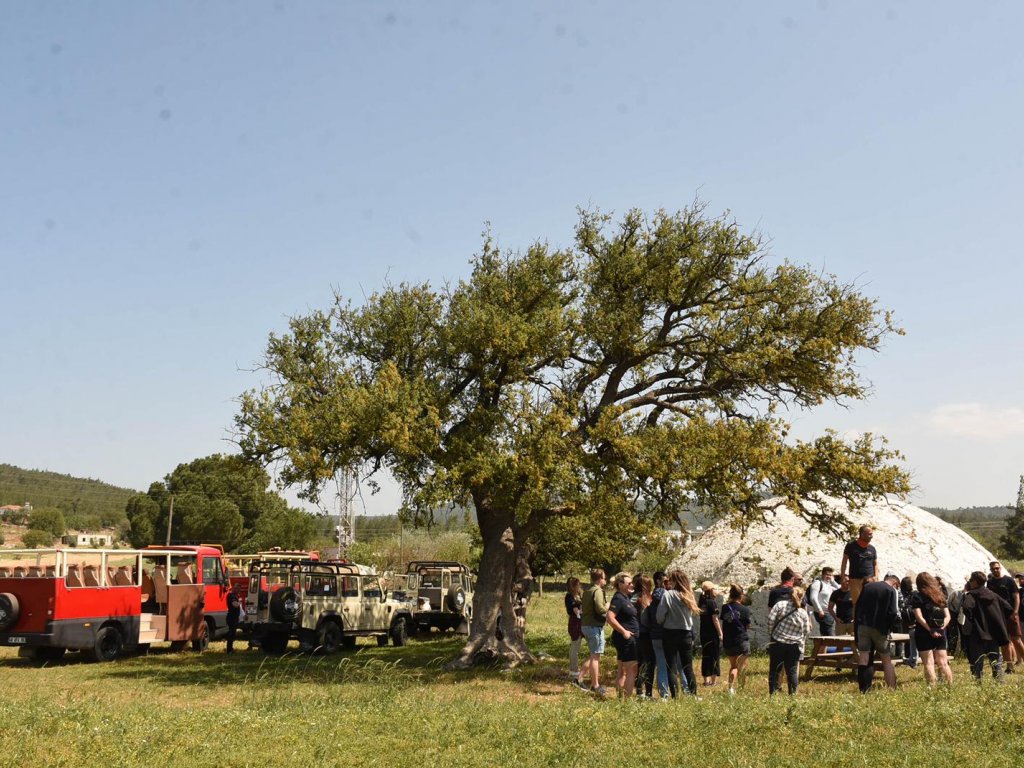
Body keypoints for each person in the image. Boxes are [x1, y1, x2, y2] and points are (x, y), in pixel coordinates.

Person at [960, 570, 1011, 682]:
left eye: (971, 580)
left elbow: (966, 607)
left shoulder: (971, 595)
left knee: (977, 663)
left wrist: (974, 620)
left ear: (975, 582)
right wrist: (998, 620)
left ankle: (978, 687)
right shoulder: (993, 595)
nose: (970, 582)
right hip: (993, 634)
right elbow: (1008, 608)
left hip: (977, 634)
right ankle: (999, 685)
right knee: (996, 662)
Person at [854, 573, 901, 693]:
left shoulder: (868, 587)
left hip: (863, 626)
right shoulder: (891, 590)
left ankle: (863, 690)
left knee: (864, 657)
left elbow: (858, 607)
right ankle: (892, 689)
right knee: (886, 659)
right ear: (895, 583)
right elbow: (893, 612)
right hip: (880, 628)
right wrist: (889, 628)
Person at [656, 570, 700, 696]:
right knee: (688, 667)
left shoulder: (668, 595)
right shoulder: (688, 595)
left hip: (670, 633)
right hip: (686, 633)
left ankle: (674, 696)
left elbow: (659, 617)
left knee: (671, 667)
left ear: (674, 581)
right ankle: (693, 694)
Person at [909, 571, 952, 686]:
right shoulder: (940, 596)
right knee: (943, 662)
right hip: (940, 632)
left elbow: (919, 617)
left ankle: (931, 689)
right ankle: (949, 687)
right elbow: (948, 616)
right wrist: (941, 629)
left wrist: (930, 630)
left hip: (923, 632)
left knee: (929, 663)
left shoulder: (917, 596)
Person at [766, 585, 810, 696]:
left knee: (775, 669)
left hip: (778, 641)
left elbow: (770, 620)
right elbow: (806, 630)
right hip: (794, 645)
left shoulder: (780, 605)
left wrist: (772, 633)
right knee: (792, 671)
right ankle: (793, 695)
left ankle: (773, 693)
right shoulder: (802, 612)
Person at [606, 573, 639, 698]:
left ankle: (621, 699)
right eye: (629, 583)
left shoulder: (625, 597)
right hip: (626, 639)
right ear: (620, 585)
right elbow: (610, 617)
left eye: (632, 583)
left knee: (622, 669)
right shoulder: (619, 598)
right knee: (630, 670)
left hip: (626, 639)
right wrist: (624, 631)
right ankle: (627, 699)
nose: (631, 585)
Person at [987, 561, 1023, 672]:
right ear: (991, 570)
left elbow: (1016, 596)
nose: (995, 570)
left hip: (1010, 613)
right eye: (993, 569)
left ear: (1000, 568)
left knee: (1016, 639)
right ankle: (1009, 666)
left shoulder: (1009, 580)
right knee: (1004, 641)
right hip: (998, 614)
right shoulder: (990, 582)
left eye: (997, 568)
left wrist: (1015, 611)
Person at [645, 571, 675, 699]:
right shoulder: (665, 595)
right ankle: (676, 690)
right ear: (658, 581)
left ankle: (664, 694)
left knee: (661, 665)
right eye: (665, 581)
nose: (667, 583)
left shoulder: (652, 596)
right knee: (671, 665)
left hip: (654, 635)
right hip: (664, 634)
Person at [580, 569, 609, 696]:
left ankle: (579, 678)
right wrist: (608, 606)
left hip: (586, 625)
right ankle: (595, 685)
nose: (605, 581)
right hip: (594, 626)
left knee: (593, 655)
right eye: (604, 578)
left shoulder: (587, 590)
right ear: (600, 579)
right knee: (596, 656)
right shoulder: (597, 591)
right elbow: (600, 608)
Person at [720, 583, 751, 695]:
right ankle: (741, 689)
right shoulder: (745, 610)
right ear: (741, 595)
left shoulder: (724, 608)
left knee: (733, 666)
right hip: (741, 641)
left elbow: (725, 621)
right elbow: (747, 626)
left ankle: (730, 688)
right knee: (741, 667)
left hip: (728, 642)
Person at [840, 525, 878, 609]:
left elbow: (875, 564)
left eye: (871, 534)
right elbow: (844, 561)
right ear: (862, 534)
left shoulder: (872, 548)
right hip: (855, 579)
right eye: (869, 534)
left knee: (870, 602)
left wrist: (876, 577)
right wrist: (843, 576)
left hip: (870, 580)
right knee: (856, 604)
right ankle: (857, 621)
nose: (871, 536)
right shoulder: (850, 546)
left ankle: (870, 621)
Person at [633, 573, 656, 698]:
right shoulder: (645, 599)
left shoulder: (631, 597)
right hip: (645, 634)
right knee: (649, 663)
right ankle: (648, 692)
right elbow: (645, 620)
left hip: (634, 634)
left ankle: (638, 689)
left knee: (639, 662)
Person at [698, 581, 723, 686]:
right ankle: (713, 681)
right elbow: (715, 619)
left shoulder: (702, 602)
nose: (716, 590)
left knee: (706, 656)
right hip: (712, 633)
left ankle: (706, 680)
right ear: (710, 590)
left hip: (703, 632)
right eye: (715, 589)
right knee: (714, 656)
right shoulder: (712, 602)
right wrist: (720, 633)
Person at [564, 577, 584, 686]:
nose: (579, 586)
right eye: (577, 584)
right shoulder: (570, 596)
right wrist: (582, 610)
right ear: (573, 585)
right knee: (575, 646)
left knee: (576, 645)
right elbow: (576, 611)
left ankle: (574, 669)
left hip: (579, 621)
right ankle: (574, 670)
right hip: (575, 622)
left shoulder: (578, 596)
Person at [807, 567, 837, 637]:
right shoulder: (817, 583)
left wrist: (833, 581)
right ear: (822, 574)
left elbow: (840, 590)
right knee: (830, 637)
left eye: (830, 575)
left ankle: (823, 648)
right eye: (827, 574)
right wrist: (820, 610)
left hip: (830, 613)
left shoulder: (828, 585)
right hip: (824, 613)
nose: (828, 576)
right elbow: (813, 598)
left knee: (825, 637)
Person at [225, 584, 242, 653]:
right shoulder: (231, 596)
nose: (238, 590)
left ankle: (230, 648)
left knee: (233, 633)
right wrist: (240, 602)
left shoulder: (235, 596)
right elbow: (235, 605)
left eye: (239, 589)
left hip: (234, 617)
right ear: (234, 589)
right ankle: (229, 649)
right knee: (231, 633)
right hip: (231, 617)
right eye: (237, 589)